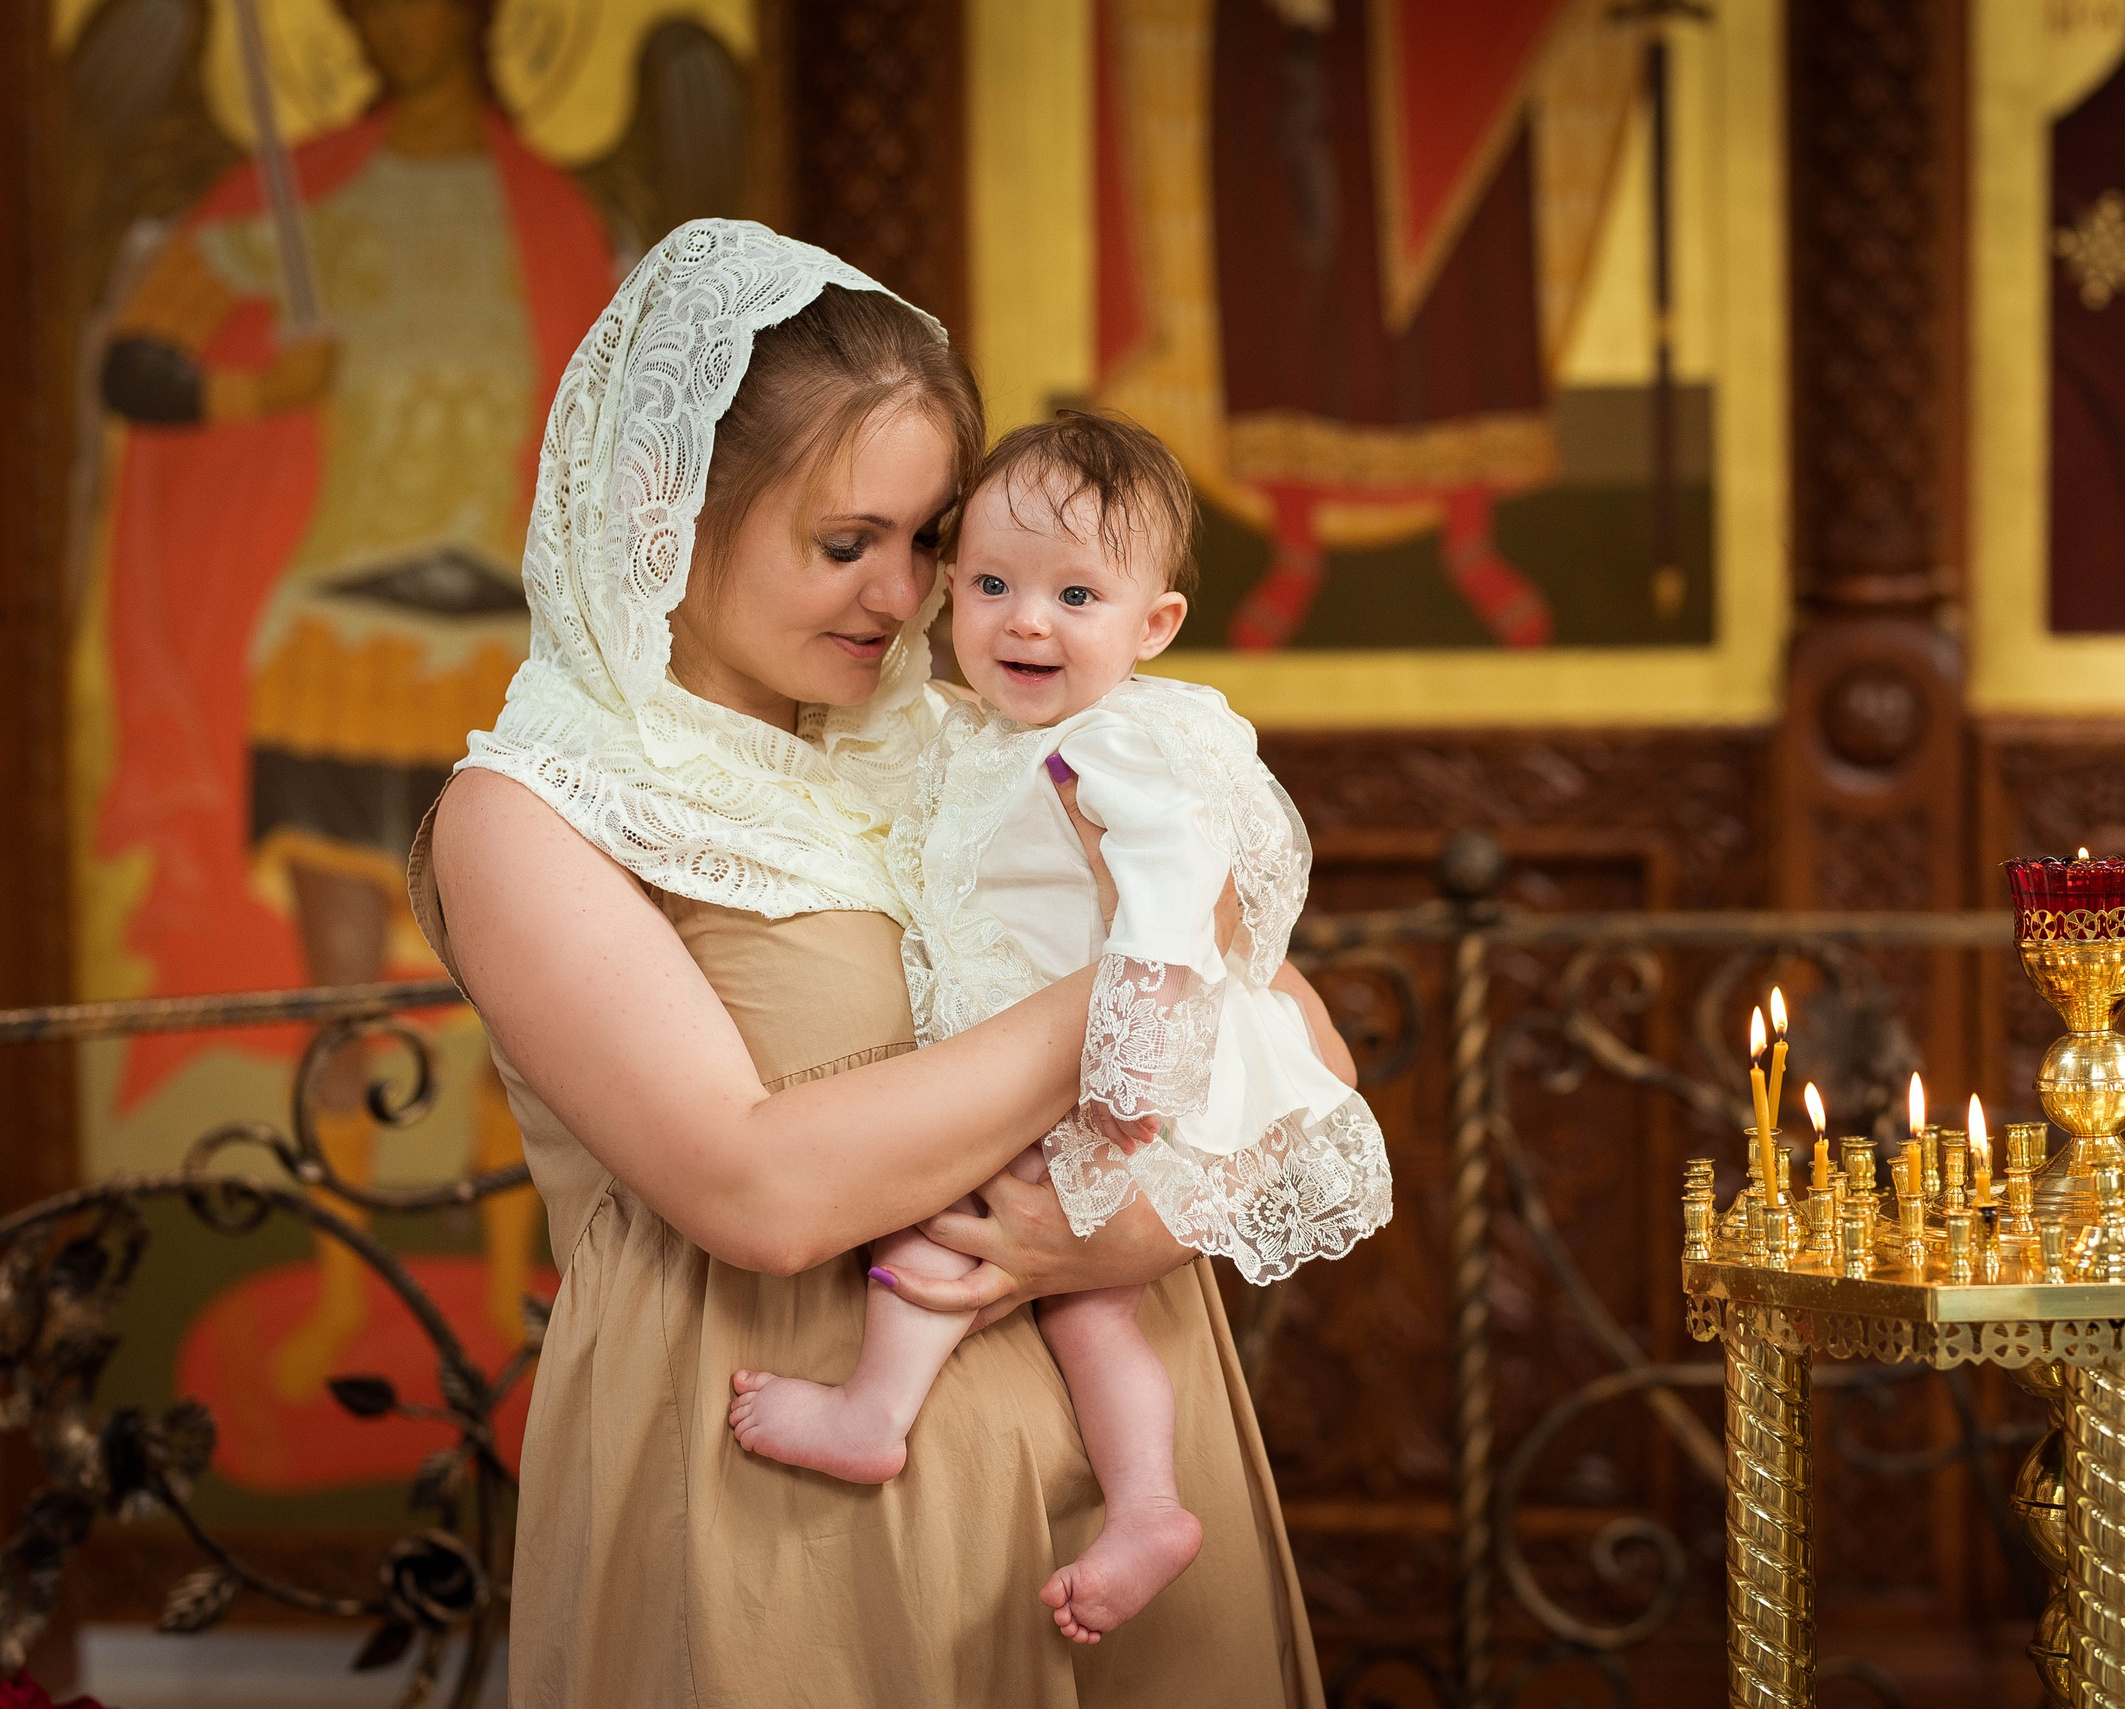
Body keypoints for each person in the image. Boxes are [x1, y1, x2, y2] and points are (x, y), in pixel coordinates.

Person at [412, 221, 1335, 1704]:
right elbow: (760, 1190)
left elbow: (1306, 1059)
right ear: (665, 510)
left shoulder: (982, 733)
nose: (903, 599)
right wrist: (1139, 983)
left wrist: (1128, 1230)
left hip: (1125, 1486)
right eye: (846, 544)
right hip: (789, 1530)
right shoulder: (527, 815)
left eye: (927, 542)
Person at [726, 413, 1393, 1644]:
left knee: (943, 1213)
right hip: (1080, 1059)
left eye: (1075, 593)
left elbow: (1175, 896)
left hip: (1126, 1060)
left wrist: (1137, 1053)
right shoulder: (987, 736)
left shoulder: (1122, 741)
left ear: (1153, 628)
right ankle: (1147, 1504)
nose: (1025, 620)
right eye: (990, 583)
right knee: (1089, 1307)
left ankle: (876, 1408)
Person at [93, 0, 616, 1391]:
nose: (399, 21)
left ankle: (518, 1292)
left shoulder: (548, 215)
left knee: (515, 990)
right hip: (339, 633)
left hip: (497, 647)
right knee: (343, 977)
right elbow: (136, 364)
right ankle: (342, 1292)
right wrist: (259, 388)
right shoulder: (306, 203)